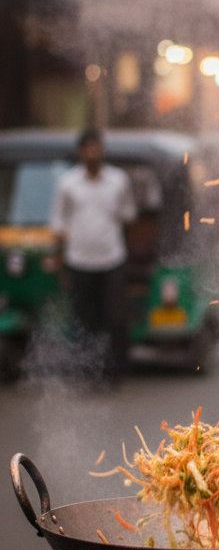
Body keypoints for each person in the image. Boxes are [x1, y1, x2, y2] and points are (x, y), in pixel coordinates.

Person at [50, 127, 137, 381]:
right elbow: (58, 224)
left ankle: (117, 375)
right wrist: (59, 262)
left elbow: (128, 218)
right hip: (79, 261)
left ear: (102, 151)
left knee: (116, 319)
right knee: (84, 322)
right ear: (80, 152)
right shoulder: (67, 183)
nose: (92, 153)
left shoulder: (118, 181)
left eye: (96, 148)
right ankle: (86, 374)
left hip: (112, 259)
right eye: (87, 148)